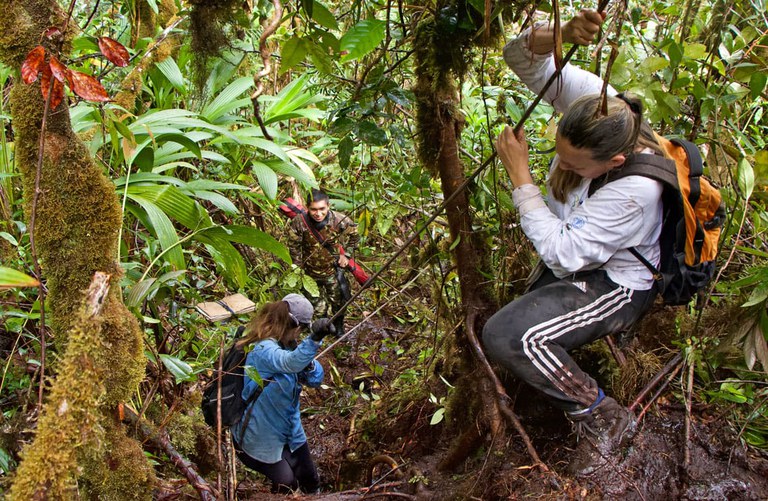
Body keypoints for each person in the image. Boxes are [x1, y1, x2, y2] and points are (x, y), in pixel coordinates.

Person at [482, 10, 667, 474]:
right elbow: (521, 57)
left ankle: (602, 416)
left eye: (576, 166)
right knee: (519, 324)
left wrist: (521, 176)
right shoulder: (597, 107)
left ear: (615, 161)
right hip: (581, 259)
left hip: (616, 284)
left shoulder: (636, 189)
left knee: (509, 336)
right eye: (561, 155)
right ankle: (546, 389)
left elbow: (563, 253)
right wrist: (561, 34)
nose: (564, 167)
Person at [231, 293, 336, 493]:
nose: (300, 334)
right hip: (258, 437)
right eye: (302, 329)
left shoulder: (288, 347)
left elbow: (315, 379)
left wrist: (309, 365)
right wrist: (314, 339)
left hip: (289, 430)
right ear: (293, 325)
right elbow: (289, 363)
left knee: (310, 479)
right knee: (287, 484)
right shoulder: (263, 349)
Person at [287, 189, 360, 335]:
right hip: (309, 273)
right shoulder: (299, 222)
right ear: (307, 207)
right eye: (313, 209)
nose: (318, 214)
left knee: (339, 302)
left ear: (328, 206)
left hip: (333, 271)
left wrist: (346, 255)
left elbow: (355, 236)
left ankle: (339, 327)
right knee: (318, 307)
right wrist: (298, 268)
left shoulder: (338, 220)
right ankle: (323, 329)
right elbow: (293, 246)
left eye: (322, 209)